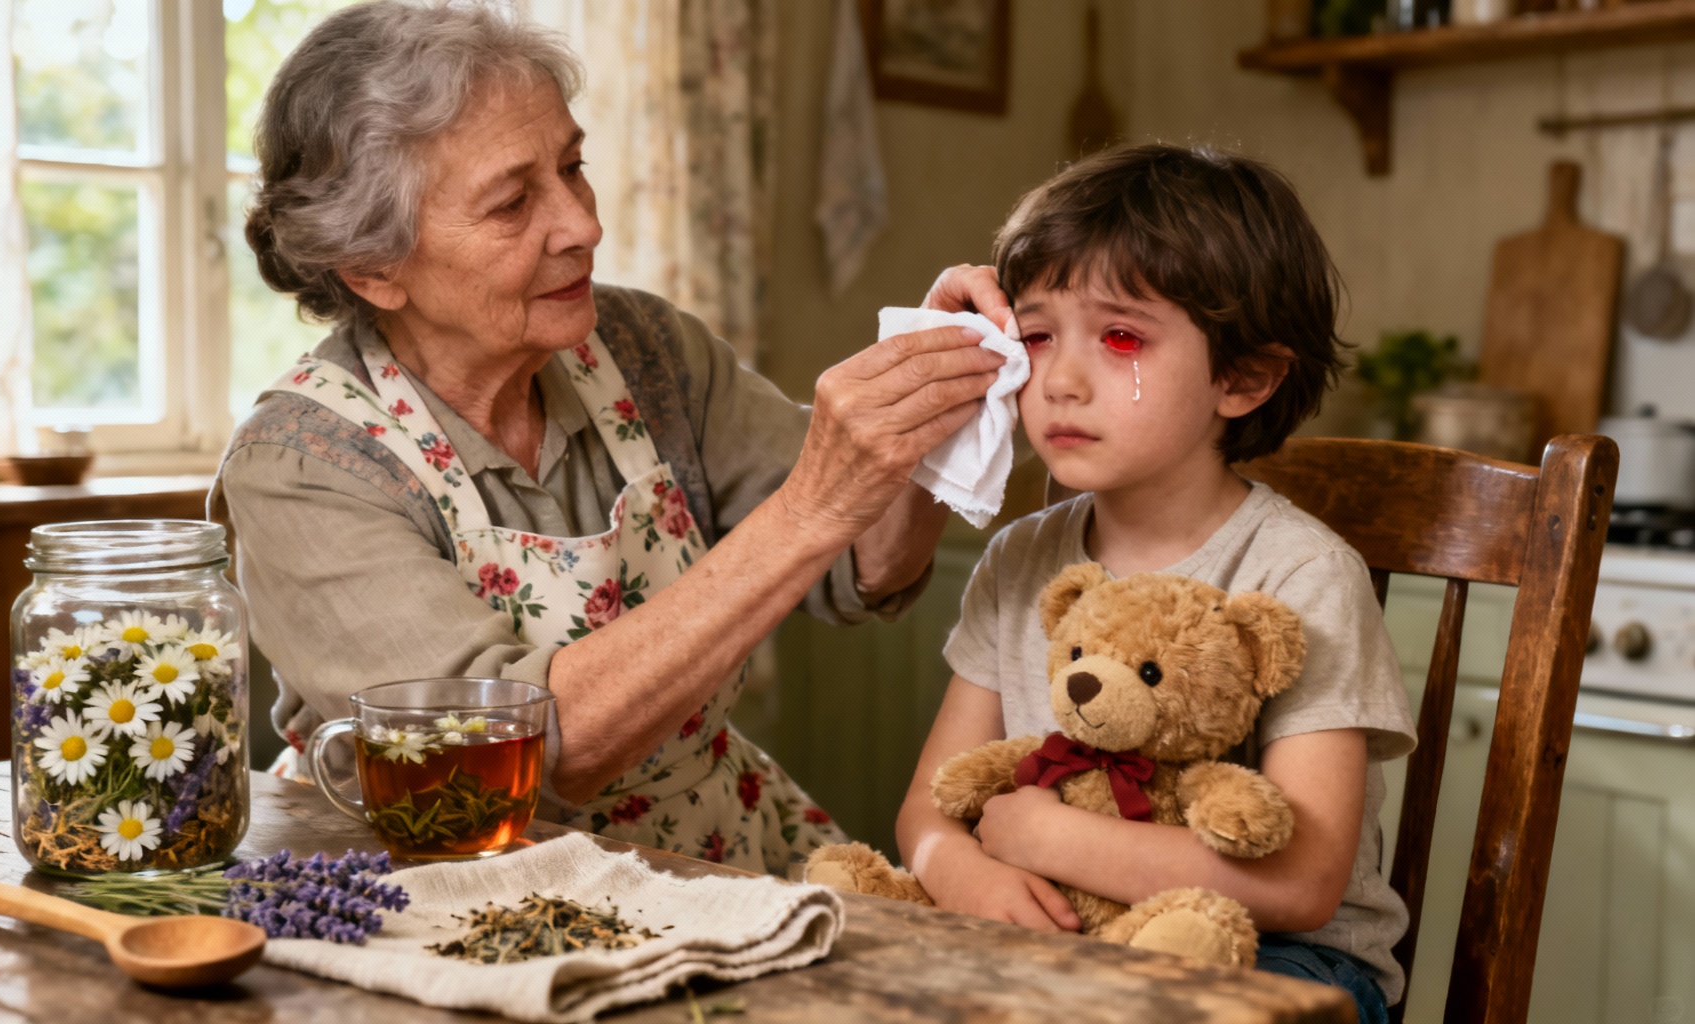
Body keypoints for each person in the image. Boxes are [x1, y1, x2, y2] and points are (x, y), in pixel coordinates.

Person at [215, 0, 1012, 877]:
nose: (582, 226)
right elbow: (536, 750)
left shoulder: (647, 348)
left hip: (709, 844)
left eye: (573, 167)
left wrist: (931, 409)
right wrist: (812, 506)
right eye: (513, 202)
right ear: (374, 268)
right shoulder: (301, 467)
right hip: (456, 879)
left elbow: (864, 563)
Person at [893, 145, 1416, 1023]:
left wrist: (1048, 836)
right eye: (1037, 336)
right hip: (1070, 942)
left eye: (1121, 337)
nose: (1060, 381)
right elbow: (928, 807)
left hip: (1286, 964)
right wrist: (961, 870)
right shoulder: (1021, 559)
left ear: (1243, 377)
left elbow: (1303, 884)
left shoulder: (1304, 572)